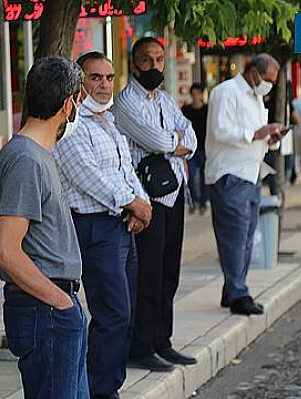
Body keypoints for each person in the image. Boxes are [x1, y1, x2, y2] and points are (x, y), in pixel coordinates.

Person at [53, 51, 152, 399]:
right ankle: (99, 392)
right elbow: (88, 177)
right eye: (95, 77)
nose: (104, 85)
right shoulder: (71, 126)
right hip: (94, 228)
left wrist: (143, 206)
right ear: (80, 84)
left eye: (109, 78)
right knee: (112, 315)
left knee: (124, 314)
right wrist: (133, 204)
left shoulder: (109, 121)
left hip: (121, 225)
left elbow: (127, 173)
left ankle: (107, 386)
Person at [0, 57, 89, 399]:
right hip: (44, 310)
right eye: (80, 99)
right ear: (68, 105)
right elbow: (7, 251)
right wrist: (60, 302)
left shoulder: (38, 154)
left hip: (54, 307)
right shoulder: (26, 159)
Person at [112, 37, 197, 372]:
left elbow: (189, 135)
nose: (154, 67)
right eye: (147, 61)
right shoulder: (126, 103)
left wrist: (173, 143)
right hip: (148, 200)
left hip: (175, 194)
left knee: (168, 274)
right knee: (147, 274)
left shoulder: (163, 99)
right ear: (134, 65)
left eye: (160, 60)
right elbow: (161, 140)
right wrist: (172, 143)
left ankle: (162, 340)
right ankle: (141, 344)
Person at [205, 53, 286, 316]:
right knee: (235, 237)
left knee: (247, 236)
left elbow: (254, 134)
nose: (269, 85)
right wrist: (257, 133)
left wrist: (269, 138)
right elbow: (221, 130)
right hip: (229, 174)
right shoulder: (225, 92)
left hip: (251, 173)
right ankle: (239, 293)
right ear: (252, 72)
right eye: (268, 79)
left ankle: (233, 289)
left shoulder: (255, 97)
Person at [182, 83, 209, 214]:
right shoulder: (186, 111)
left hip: (205, 149)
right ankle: (194, 201)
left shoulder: (207, 110)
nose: (196, 96)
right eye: (193, 93)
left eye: (198, 93)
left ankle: (203, 203)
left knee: (205, 179)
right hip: (190, 150)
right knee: (191, 177)